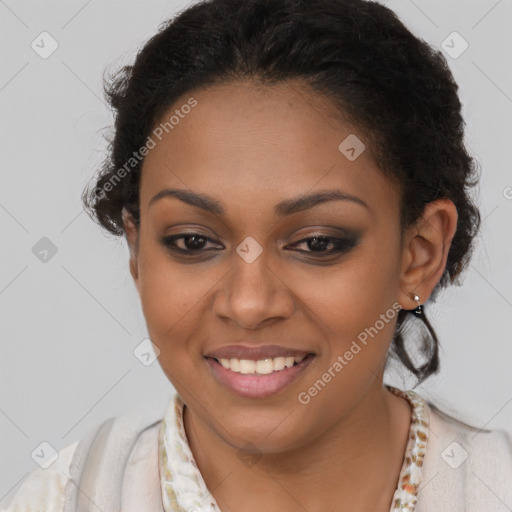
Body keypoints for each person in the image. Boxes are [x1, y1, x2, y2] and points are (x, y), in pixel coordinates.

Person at [3, 0, 512, 511]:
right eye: (193, 241)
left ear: (418, 254)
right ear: (137, 251)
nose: (248, 304)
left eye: (317, 243)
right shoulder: (63, 499)